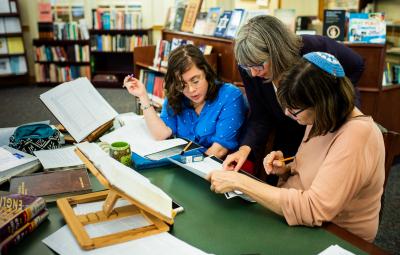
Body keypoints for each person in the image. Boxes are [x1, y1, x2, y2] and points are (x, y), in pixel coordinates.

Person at [207, 52, 385, 242]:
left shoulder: (357, 135)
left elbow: (314, 208)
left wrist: (240, 182)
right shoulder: (323, 117)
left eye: (294, 110)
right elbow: (321, 172)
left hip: (335, 236)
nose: (287, 113)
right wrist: (287, 169)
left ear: (322, 104)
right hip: (301, 221)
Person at [223, 15, 365, 180]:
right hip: (289, 132)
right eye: (247, 67)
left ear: (277, 52)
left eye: (258, 65)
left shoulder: (312, 48)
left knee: (321, 181)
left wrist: (330, 101)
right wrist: (244, 149)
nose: (253, 73)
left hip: (328, 126)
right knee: (278, 177)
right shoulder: (250, 67)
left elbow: (356, 64)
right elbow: (260, 115)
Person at [124, 44, 247, 158]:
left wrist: (184, 166)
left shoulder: (229, 95)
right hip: (185, 163)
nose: (191, 90)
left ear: (206, 72)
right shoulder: (176, 94)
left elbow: (219, 150)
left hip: (217, 168)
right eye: (182, 85)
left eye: (195, 81)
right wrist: (143, 96)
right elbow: (161, 134)